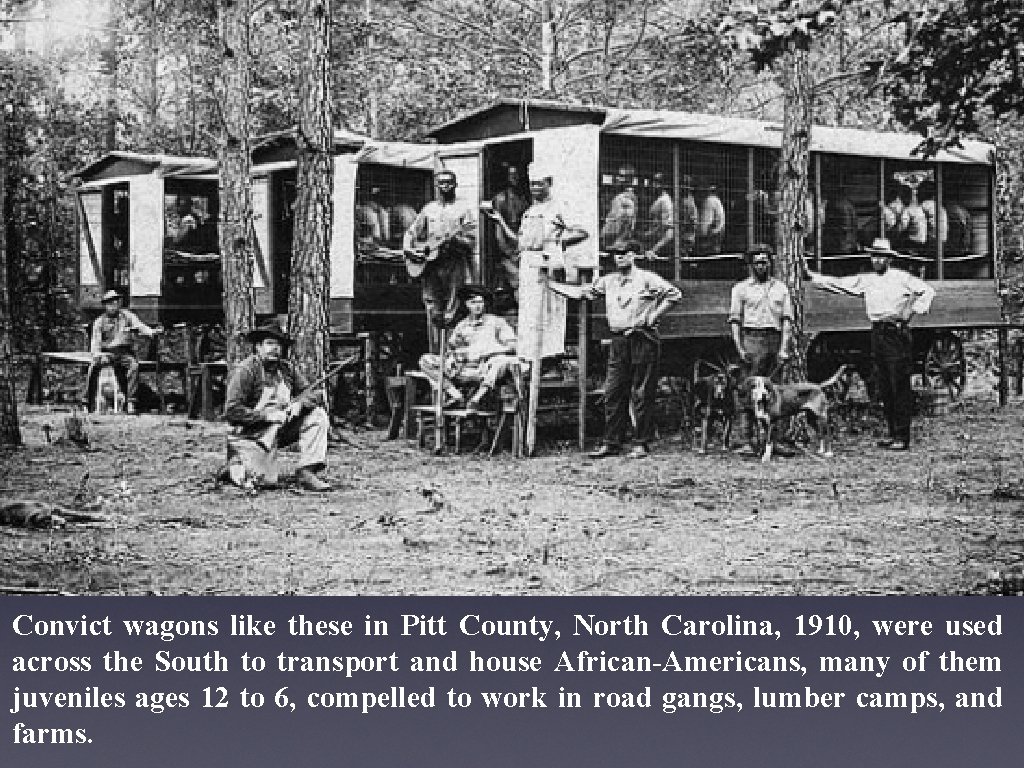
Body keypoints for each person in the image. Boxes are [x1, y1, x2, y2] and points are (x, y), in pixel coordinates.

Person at [806, 237, 935, 451]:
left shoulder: (901, 278)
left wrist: (910, 311)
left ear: (889, 259)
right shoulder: (868, 280)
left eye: (881, 257)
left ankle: (903, 437)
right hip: (877, 333)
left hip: (896, 333)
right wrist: (813, 277)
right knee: (883, 384)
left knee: (899, 384)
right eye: (874, 256)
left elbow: (927, 291)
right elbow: (840, 284)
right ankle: (892, 433)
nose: (877, 260)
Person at [578, 240, 681, 458]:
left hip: (642, 338)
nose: (619, 257)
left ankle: (641, 443)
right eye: (616, 254)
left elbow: (674, 294)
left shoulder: (646, 278)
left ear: (634, 255)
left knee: (642, 392)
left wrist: (653, 316)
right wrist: (549, 284)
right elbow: (585, 293)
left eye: (624, 253)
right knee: (613, 391)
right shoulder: (609, 281)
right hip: (619, 340)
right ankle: (612, 442)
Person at [483, 160, 588, 360]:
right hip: (528, 265)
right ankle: (530, 358)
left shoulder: (559, 206)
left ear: (549, 183)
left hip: (548, 265)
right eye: (532, 184)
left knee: (549, 312)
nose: (535, 188)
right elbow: (519, 242)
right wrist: (500, 221)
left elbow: (581, 232)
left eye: (539, 184)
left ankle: (549, 358)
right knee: (529, 312)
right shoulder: (530, 211)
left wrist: (556, 242)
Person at [223, 321, 332, 491]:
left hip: (279, 430)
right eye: (269, 343)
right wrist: (267, 416)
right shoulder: (246, 371)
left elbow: (314, 393)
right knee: (266, 482)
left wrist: (299, 405)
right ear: (258, 347)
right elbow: (232, 411)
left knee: (317, 415)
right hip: (249, 435)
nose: (275, 348)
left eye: (278, 344)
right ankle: (235, 464)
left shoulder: (287, 369)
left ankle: (307, 470)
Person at [729, 245, 794, 455]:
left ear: (770, 263)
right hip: (752, 339)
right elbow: (735, 321)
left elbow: (786, 320)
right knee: (747, 389)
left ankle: (777, 440)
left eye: (765, 261)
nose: (761, 266)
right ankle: (744, 441)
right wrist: (740, 347)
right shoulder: (740, 289)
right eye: (757, 262)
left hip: (774, 339)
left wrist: (784, 348)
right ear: (751, 265)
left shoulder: (781, 289)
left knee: (776, 391)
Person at [417, 284, 519, 409]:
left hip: (485, 368)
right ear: (466, 304)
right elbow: (452, 349)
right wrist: (455, 356)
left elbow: (513, 346)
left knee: (501, 361)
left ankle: (477, 398)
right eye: (473, 302)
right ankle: (455, 395)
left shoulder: (496, 322)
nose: (478, 306)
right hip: (463, 369)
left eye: (480, 302)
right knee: (425, 360)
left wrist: (488, 351)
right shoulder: (462, 326)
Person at [402, 169, 477, 335]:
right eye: (442, 183)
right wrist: (410, 250)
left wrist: (455, 240)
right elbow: (411, 232)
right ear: (436, 185)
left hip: (453, 263)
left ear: (455, 185)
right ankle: (434, 355)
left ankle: (449, 353)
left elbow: (471, 240)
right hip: (430, 266)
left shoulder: (462, 210)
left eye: (449, 182)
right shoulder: (429, 209)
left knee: (453, 307)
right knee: (433, 308)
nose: (445, 186)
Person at [85, 290, 160, 415]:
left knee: (134, 366)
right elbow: (95, 342)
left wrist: (151, 332)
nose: (113, 305)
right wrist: (98, 355)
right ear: (105, 305)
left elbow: (140, 326)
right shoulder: (99, 321)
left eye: (115, 301)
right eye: (110, 302)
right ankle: (87, 401)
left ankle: (131, 401)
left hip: (124, 352)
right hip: (107, 353)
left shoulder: (127, 316)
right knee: (93, 368)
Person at [490, 164, 530, 293]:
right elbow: (499, 231)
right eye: (512, 175)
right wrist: (508, 252)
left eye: (517, 175)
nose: (515, 178)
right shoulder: (501, 198)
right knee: (517, 282)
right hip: (509, 250)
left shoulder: (524, 198)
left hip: (522, 245)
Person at [600, 168, 638, 251]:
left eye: (621, 176)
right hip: (610, 238)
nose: (617, 178)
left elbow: (628, 221)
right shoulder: (619, 195)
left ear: (629, 179)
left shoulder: (628, 198)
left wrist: (619, 241)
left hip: (617, 242)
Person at [643, 172, 674, 260]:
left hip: (659, 247)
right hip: (652, 242)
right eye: (653, 182)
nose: (654, 185)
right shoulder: (658, 199)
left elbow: (668, 231)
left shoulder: (665, 201)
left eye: (657, 183)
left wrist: (654, 250)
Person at [695, 182, 725, 255]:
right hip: (716, 237)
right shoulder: (716, 200)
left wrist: (700, 236)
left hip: (709, 239)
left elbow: (705, 225)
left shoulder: (709, 201)